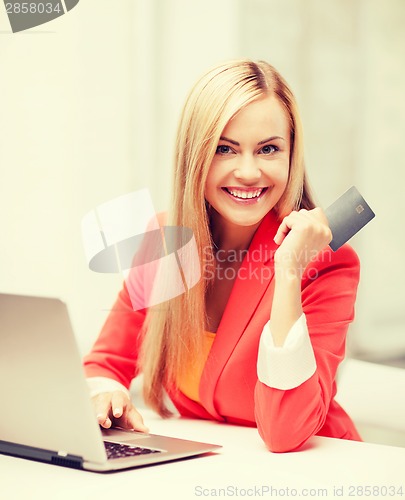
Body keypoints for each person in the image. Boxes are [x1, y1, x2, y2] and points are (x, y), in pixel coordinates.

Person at [83, 59, 361, 453]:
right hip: (207, 466)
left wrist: (288, 272)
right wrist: (107, 397)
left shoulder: (327, 262)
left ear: (291, 155)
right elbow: (104, 363)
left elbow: (285, 432)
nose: (248, 172)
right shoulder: (165, 242)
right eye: (224, 149)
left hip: (311, 474)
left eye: (268, 149)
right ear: (193, 158)